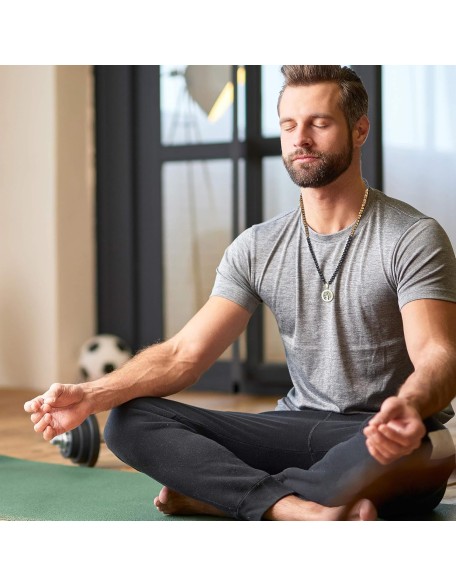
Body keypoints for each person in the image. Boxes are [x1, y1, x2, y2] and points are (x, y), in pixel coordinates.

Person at [25, 65, 456, 521]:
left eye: (320, 123)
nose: (301, 139)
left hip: (376, 431)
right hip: (290, 426)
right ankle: (296, 509)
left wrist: (406, 406)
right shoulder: (257, 246)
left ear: (360, 129)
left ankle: (219, 495)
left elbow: (438, 355)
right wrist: (92, 396)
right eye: (289, 125)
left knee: (414, 453)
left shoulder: (411, 236)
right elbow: (182, 356)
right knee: (129, 421)